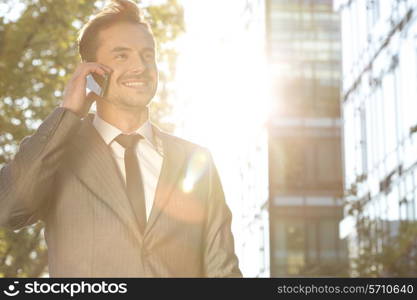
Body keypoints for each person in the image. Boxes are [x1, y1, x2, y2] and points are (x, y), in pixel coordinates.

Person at [0, 0, 242, 278]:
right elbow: (8, 208)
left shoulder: (196, 161)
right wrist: (67, 113)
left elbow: (224, 272)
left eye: (147, 55)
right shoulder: (58, 153)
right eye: (121, 56)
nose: (140, 66)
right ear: (92, 70)